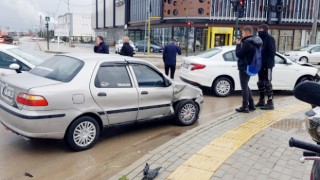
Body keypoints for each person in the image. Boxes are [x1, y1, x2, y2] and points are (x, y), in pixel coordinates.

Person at [235, 26, 263, 113]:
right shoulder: (255, 41)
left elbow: (239, 54)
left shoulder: (247, 43)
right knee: (246, 85)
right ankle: (251, 105)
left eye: (243, 33)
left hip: (244, 66)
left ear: (246, 33)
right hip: (251, 66)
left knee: (244, 87)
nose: (242, 35)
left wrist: (238, 45)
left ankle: (245, 107)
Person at [255, 24, 276, 110]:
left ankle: (270, 102)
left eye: (261, 29)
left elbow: (272, 52)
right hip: (260, 64)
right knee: (260, 82)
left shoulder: (270, 38)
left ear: (265, 30)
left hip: (267, 64)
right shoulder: (258, 39)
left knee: (267, 83)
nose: (259, 30)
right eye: (259, 29)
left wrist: (267, 63)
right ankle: (261, 100)